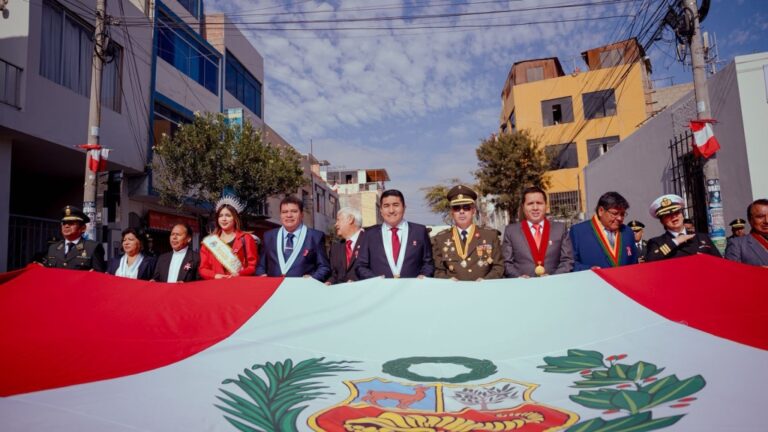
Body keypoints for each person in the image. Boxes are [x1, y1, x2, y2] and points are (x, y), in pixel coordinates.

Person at [356, 189, 434, 279]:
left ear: (404, 208)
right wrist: (375, 279)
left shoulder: (419, 231)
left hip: (413, 289)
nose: (391, 210)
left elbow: (428, 263)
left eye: (396, 205)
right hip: (380, 290)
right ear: (380, 210)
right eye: (386, 206)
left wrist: (424, 276)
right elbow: (360, 266)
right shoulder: (370, 234)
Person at [433, 185, 503, 281]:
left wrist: (486, 281)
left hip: (483, 290)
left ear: (473, 210)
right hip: (453, 291)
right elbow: (438, 270)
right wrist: (447, 280)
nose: (461, 211)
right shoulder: (441, 239)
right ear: (452, 212)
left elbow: (499, 266)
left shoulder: (490, 235)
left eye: (466, 207)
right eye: (457, 208)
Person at [502, 186, 572, 277]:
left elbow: (567, 260)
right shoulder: (511, 231)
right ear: (523, 207)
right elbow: (506, 263)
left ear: (546, 206)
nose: (535, 208)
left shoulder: (560, 229)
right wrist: (518, 277)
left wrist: (553, 277)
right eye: (530, 203)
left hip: (554, 285)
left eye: (539, 203)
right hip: (523, 286)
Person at [256, 195, 331, 281]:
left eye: (294, 211)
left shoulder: (315, 237)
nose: (289, 215)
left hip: (302, 291)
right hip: (275, 290)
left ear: (302, 215)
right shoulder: (269, 236)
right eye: (284, 212)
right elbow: (261, 266)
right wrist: (262, 277)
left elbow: (324, 267)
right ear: (280, 215)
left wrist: (312, 279)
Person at [570, 192, 638, 270]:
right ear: (601, 211)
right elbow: (570, 264)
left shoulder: (627, 232)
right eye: (615, 213)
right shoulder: (578, 232)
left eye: (622, 214)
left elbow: (634, 262)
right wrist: (588, 270)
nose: (619, 218)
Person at [644, 194, 721, 262]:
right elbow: (650, 260)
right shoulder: (656, 242)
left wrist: (706, 259)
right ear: (662, 221)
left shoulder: (701, 237)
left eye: (676, 212)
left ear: (682, 215)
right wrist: (675, 242)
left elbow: (720, 262)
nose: (674, 216)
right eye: (667, 215)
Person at [199, 196, 258, 279]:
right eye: (220, 216)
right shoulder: (209, 242)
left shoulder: (246, 238)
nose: (224, 219)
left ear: (235, 218)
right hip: (216, 286)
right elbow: (203, 269)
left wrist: (239, 274)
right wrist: (215, 275)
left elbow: (252, 266)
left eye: (228, 215)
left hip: (239, 285)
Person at [44, 206, 106, 271]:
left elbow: (98, 276)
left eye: (71, 223)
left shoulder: (92, 247)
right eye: (64, 223)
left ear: (83, 228)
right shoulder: (53, 248)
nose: (66, 226)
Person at [326, 207, 365, 284]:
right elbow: (334, 275)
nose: (336, 224)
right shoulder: (335, 248)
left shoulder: (370, 241)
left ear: (350, 219)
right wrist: (329, 282)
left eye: (338, 220)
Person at [725, 199, 768, 267]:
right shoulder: (737, 244)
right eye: (760, 217)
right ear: (750, 219)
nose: (766, 221)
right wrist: (757, 272)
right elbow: (731, 273)